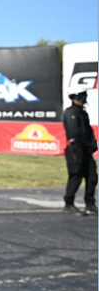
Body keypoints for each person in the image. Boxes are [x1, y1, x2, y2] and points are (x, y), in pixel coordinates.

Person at [62, 87, 97, 215]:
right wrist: (85, 144)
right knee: (76, 175)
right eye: (79, 97)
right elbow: (74, 133)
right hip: (76, 149)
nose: (82, 100)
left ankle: (90, 203)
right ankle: (69, 203)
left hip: (86, 149)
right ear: (73, 98)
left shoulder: (83, 113)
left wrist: (92, 144)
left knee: (92, 176)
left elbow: (88, 131)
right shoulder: (70, 112)